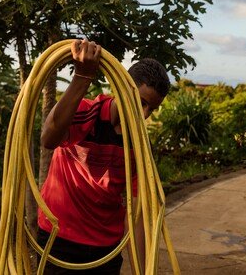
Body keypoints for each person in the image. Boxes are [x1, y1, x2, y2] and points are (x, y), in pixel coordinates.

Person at [37, 38, 170, 274]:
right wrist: (82, 77)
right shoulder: (85, 113)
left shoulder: (138, 145)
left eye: (152, 108)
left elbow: (136, 213)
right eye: (141, 103)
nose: (145, 114)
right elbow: (49, 138)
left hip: (106, 248)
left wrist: (143, 271)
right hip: (60, 240)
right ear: (121, 88)